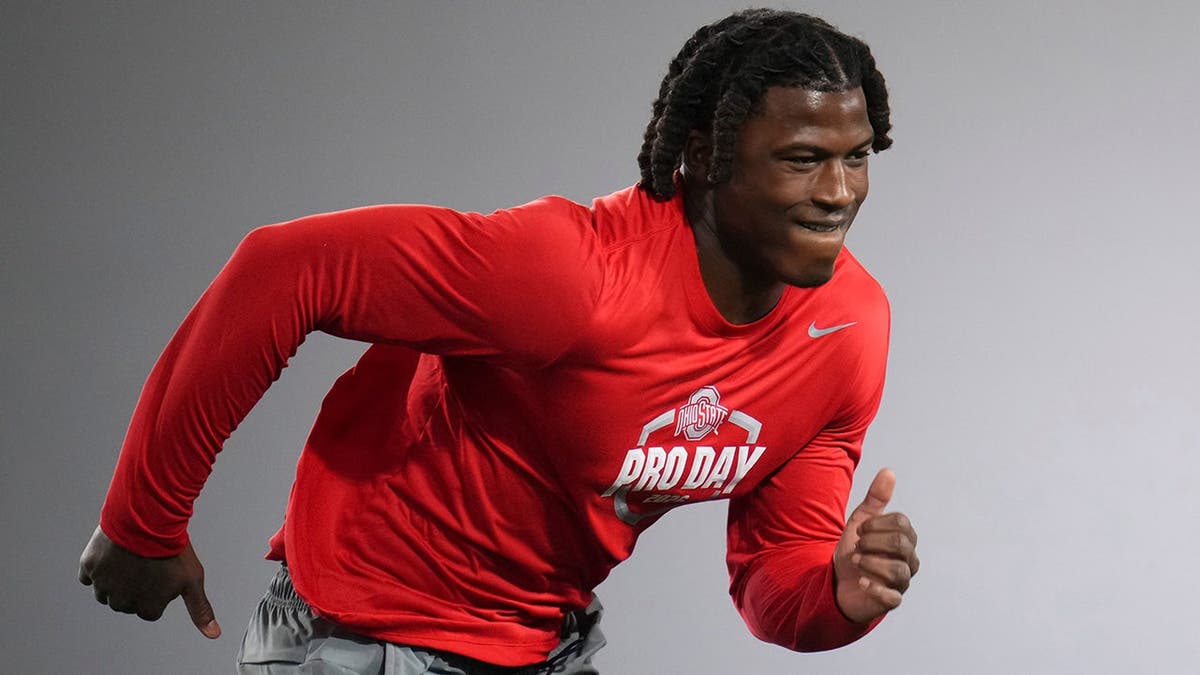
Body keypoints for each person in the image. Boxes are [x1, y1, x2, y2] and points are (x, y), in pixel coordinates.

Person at [78, 8, 920, 674]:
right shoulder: (571, 274)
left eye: (856, 158)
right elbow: (284, 270)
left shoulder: (845, 331)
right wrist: (144, 518)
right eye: (804, 158)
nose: (839, 192)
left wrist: (840, 594)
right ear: (703, 156)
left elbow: (777, 573)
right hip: (365, 638)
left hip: (540, 644)